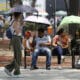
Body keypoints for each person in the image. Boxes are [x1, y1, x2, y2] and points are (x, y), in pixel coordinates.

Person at [4, 12, 23, 76]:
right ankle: (15, 71)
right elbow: (17, 32)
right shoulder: (15, 22)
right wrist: (21, 27)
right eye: (20, 15)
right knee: (18, 55)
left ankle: (10, 69)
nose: (21, 16)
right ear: (18, 15)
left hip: (16, 38)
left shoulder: (14, 21)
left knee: (18, 55)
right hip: (16, 38)